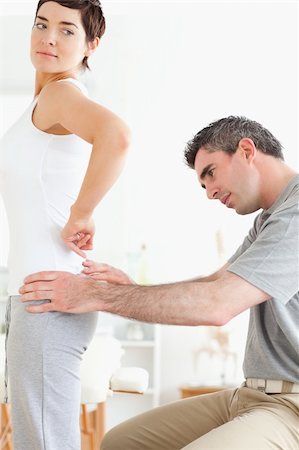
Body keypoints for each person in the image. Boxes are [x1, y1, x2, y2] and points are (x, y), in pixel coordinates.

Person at [20, 116, 298, 449]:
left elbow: (218, 305)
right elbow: (215, 282)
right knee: (120, 443)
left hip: (290, 405)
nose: (210, 192)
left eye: (210, 172)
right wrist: (128, 290)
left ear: (246, 150)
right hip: (250, 394)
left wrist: (99, 295)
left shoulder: (293, 215)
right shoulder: (269, 219)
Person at [0, 1, 130, 449]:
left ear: (91, 44)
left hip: (46, 298)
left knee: (43, 441)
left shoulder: (61, 94)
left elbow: (117, 135)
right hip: (37, 296)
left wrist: (82, 212)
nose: (48, 38)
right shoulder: (45, 100)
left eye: (66, 30)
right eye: (41, 24)